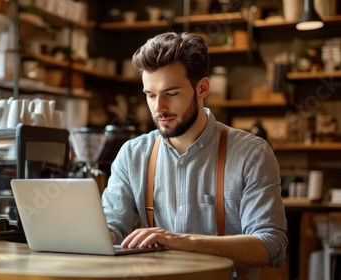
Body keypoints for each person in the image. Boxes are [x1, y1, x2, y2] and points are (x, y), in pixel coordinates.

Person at [101, 32, 287, 280]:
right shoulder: (133, 154)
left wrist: (183, 241)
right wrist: (95, 235)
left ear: (202, 88)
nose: (159, 108)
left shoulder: (251, 153)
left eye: (171, 93)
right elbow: (113, 227)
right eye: (150, 95)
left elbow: (271, 246)